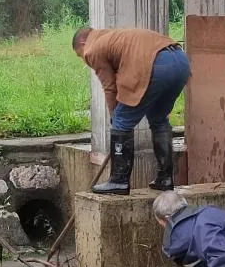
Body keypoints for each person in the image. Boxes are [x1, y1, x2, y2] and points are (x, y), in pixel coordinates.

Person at [73, 27, 190, 195]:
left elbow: (110, 87)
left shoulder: (92, 48)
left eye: (79, 54)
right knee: (158, 118)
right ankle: (165, 178)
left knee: (121, 120)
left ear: (82, 43)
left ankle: (119, 181)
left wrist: (115, 118)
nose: (84, 59)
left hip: (157, 65)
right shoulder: (112, 36)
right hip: (180, 61)